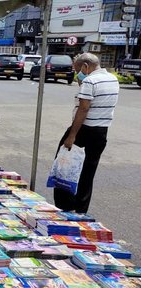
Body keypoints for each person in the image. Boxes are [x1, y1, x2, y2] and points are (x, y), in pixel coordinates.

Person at [53, 53, 118, 214]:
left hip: (83, 130)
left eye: (78, 70)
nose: (78, 74)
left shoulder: (90, 81)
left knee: (64, 165)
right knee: (88, 171)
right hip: (101, 132)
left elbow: (84, 108)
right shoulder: (112, 79)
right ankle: (81, 209)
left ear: (85, 66)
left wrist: (72, 136)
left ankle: (65, 205)